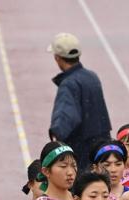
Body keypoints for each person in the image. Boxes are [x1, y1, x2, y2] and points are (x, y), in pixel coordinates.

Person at [47, 33, 112, 172]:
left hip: (82, 153)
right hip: (102, 148)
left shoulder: (68, 84)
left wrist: (56, 135)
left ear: (57, 58)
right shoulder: (92, 76)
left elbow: (65, 118)